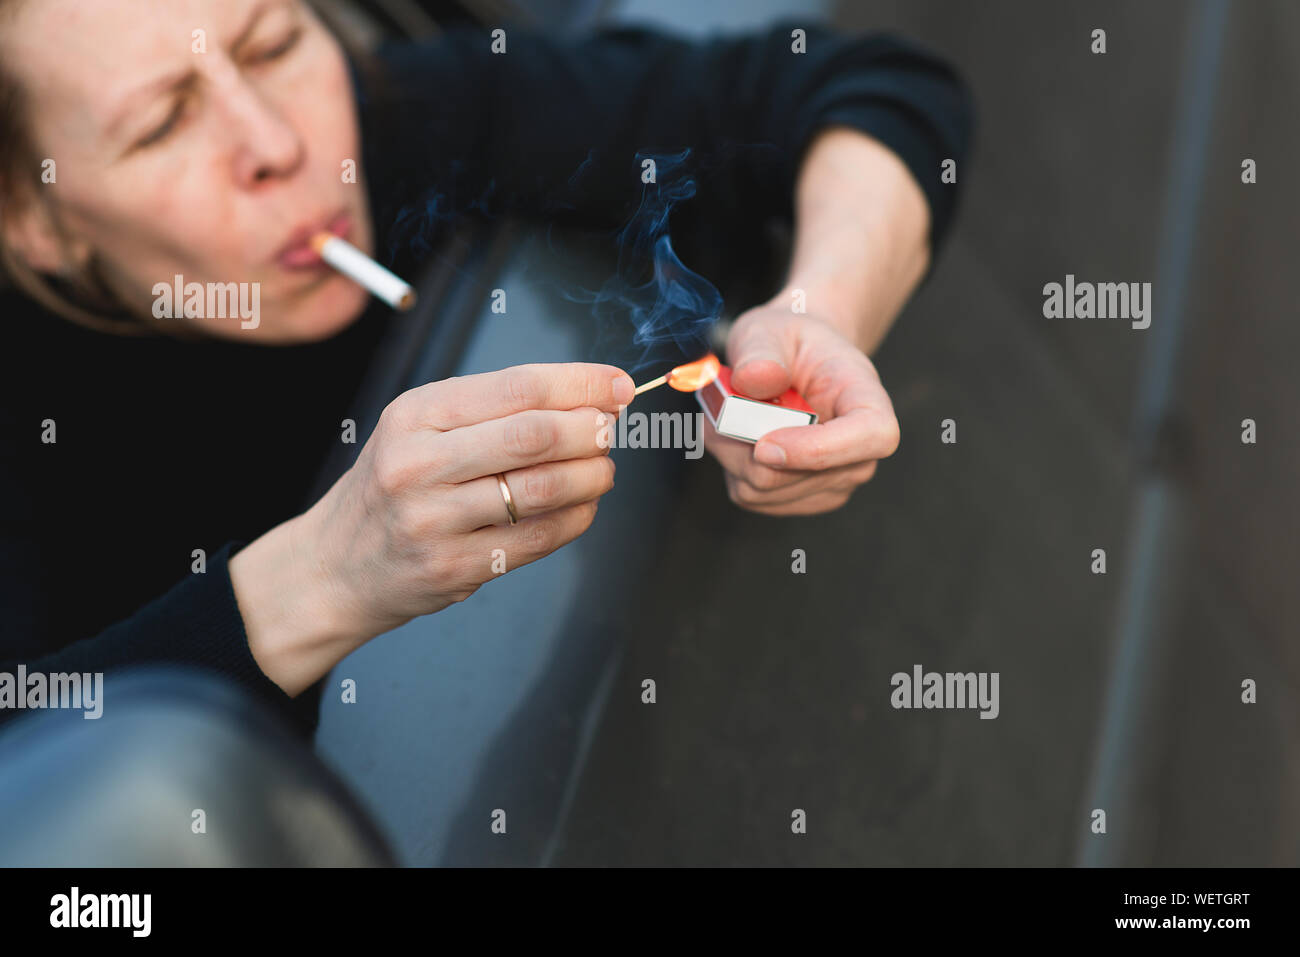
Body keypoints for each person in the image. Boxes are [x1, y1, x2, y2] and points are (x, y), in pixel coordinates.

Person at [0, 0, 973, 737]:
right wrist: (321, 577)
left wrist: (818, 311)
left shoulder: (410, 122)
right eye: (163, 123)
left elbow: (868, 89)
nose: (278, 143)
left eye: (273, 44)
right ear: (30, 219)